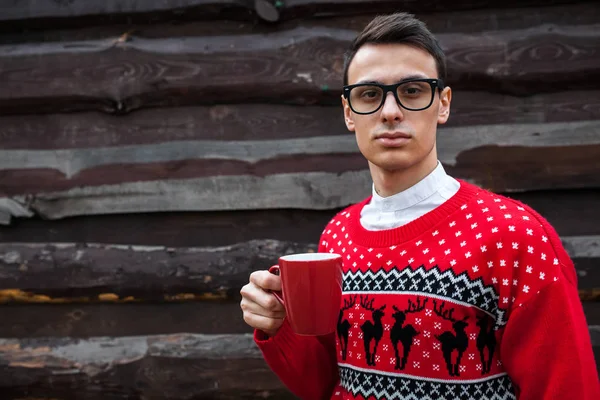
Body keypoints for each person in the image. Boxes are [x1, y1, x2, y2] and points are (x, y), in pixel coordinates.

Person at [239, 12, 600, 400]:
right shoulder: (338, 236)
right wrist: (279, 328)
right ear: (349, 113)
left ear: (442, 104)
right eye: (369, 94)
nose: (390, 111)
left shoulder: (515, 236)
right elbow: (327, 382)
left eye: (412, 91)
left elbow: (567, 388)